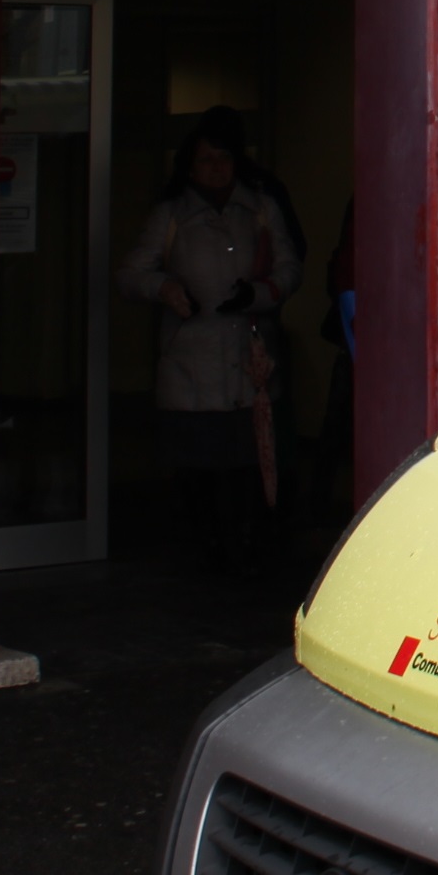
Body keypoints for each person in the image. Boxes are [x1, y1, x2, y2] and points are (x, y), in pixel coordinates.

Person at [117, 107, 303, 564]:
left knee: (250, 460)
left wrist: (259, 294)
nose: (216, 168)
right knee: (197, 462)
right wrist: (166, 288)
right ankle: (205, 546)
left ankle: (249, 544)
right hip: (191, 362)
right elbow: (128, 275)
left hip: (248, 354)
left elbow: (290, 268)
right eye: (206, 160)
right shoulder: (171, 216)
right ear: (189, 165)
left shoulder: (260, 209)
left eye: (224, 158)